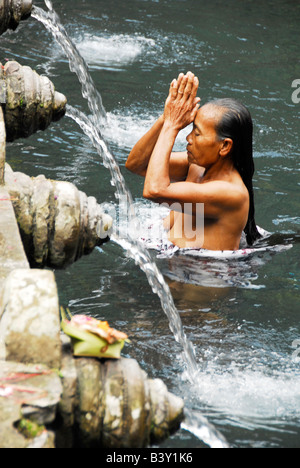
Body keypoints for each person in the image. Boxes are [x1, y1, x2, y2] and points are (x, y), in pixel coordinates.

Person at [125, 71, 261, 251]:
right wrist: (166, 117)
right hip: (171, 260)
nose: (188, 138)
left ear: (224, 146)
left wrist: (171, 127)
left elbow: (154, 190)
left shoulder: (231, 193)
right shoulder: (197, 166)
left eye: (197, 133)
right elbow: (136, 164)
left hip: (199, 275)